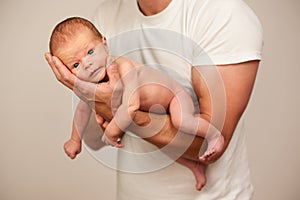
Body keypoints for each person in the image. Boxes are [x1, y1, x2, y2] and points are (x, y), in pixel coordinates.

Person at [45, 0, 263, 199]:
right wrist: (75, 138)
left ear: (105, 44)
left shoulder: (121, 67)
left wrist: (111, 124)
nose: (87, 64)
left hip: (174, 100)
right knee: (158, 144)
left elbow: (130, 106)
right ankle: (195, 168)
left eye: (90, 52)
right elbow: (87, 120)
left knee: (180, 122)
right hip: (133, 191)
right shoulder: (105, 16)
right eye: (75, 65)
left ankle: (214, 135)